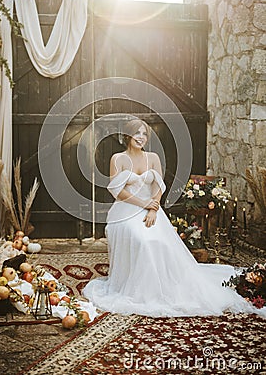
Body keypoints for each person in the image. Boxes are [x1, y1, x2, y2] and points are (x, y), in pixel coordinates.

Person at [83, 119, 266, 317]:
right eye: (137, 133)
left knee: (161, 242)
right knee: (142, 240)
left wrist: (153, 210)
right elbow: (117, 191)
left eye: (144, 134)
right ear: (128, 135)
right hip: (126, 210)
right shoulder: (117, 159)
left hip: (152, 209)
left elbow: (158, 187)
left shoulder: (152, 157)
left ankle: (163, 283)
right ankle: (139, 288)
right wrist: (143, 204)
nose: (141, 137)